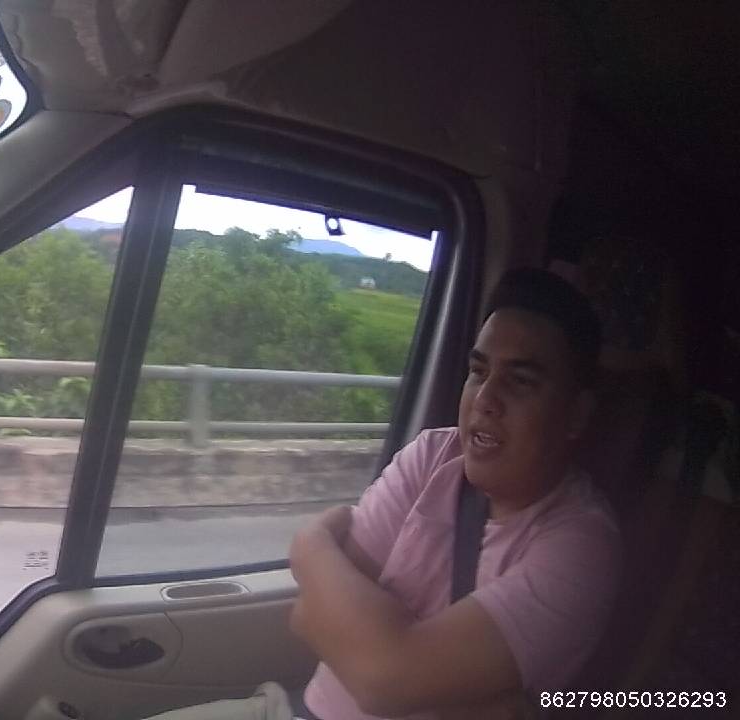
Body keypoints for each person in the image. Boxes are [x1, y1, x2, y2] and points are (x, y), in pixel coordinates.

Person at [147, 267, 622, 720]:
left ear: (576, 415)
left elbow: (381, 678)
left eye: (520, 382)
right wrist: (409, 660)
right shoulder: (433, 455)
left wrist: (311, 545)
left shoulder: (579, 546)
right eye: (479, 372)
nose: (485, 400)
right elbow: (309, 614)